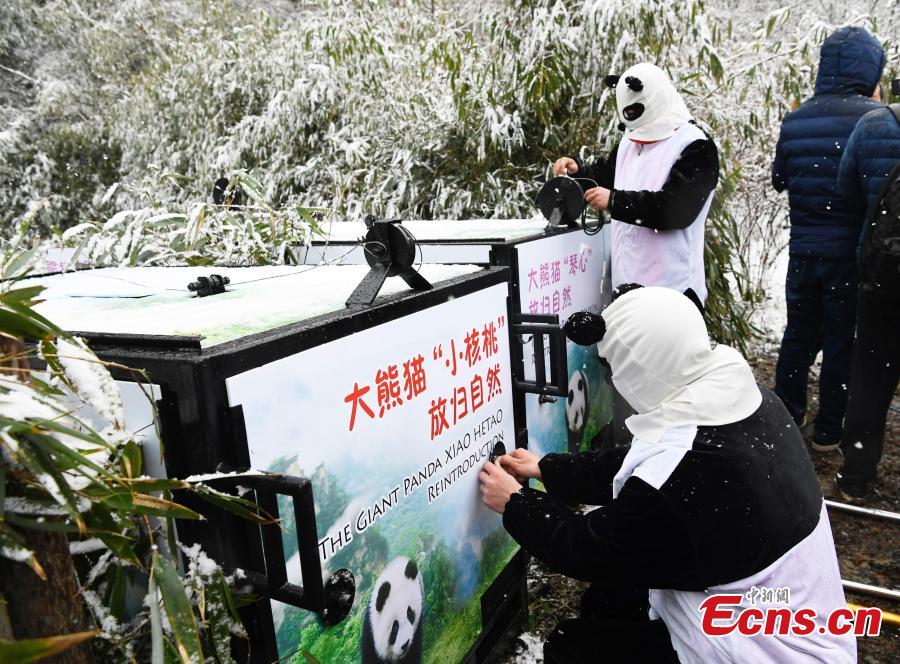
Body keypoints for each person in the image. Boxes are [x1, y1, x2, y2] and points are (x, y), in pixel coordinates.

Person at [479, 286, 854, 663]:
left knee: (572, 647)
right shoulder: (749, 403)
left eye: (613, 369)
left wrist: (515, 504)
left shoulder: (680, 478)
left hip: (767, 652)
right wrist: (548, 468)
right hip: (797, 621)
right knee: (612, 597)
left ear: (637, 370)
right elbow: (645, 464)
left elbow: (586, 549)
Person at [770, 26, 885, 451]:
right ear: (871, 67)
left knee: (797, 335)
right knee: (841, 340)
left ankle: (786, 417)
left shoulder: (798, 118)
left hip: (803, 250)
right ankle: (828, 430)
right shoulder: (875, 120)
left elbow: (779, 178)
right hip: (848, 255)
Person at [552, 62, 719, 308]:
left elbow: (676, 210)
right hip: (627, 290)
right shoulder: (630, 143)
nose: (638, 129)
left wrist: (614, 201)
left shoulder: (695, 145)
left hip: (674, 293)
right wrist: (578, 171)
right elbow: (606, 177)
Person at [833, 92, 900, 499]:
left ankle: (856, 477)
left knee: (871, 378)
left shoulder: (875, 124)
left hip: (883, 275)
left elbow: (845, 191)